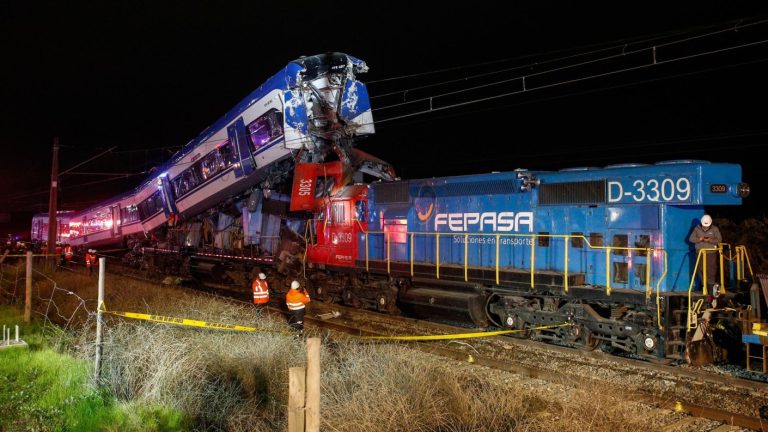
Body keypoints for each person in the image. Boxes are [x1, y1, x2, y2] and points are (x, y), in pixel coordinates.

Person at [688, 214, 722, 293]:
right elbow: (691, 239)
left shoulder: (715, 229)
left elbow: (719, 239)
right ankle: (704, 285)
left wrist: (710, 240)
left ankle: (711, 288)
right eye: (704, 225)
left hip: (711, 253)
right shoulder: (697, 228)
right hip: (700, 252)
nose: (705, 227)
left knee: (711, 269)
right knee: (700, 269)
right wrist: (699, 239)